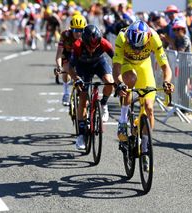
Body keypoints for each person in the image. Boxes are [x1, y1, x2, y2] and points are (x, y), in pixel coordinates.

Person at [112, 20, 174, 157]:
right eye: (132, 46)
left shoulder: (154, 37)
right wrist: (119, 83)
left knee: (149, 107)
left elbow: (166, 67)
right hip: (126, 64)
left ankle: (145, 146)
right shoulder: (122, 37)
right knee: (129, 80)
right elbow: (116, 67)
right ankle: (122, 121)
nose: (135, 50)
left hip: (144, 66)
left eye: (139, 47)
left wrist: (166, 82)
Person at [68, 24, 114, 150]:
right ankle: (81, 135)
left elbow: (117, 60)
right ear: (84, 41)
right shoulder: (77, 46)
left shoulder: (105, 43)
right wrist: (76, 78)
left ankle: (103, 103)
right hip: (83, 67)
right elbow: (70, 67)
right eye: (89, 46)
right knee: (83, 99)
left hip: (99, 63)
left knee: (110, 82)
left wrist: (119, 78)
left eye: (95, 46)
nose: (92, 49)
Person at [55, 14, 86, 106]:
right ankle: (66, 92)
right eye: (75, 30)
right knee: (67, 69)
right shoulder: (65, 35)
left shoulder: (87, 35)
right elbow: (59, 54)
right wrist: (59, 67)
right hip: (68, 55)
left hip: (80, 55)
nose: (78, 33)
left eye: (81, 30)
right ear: (71, 29)